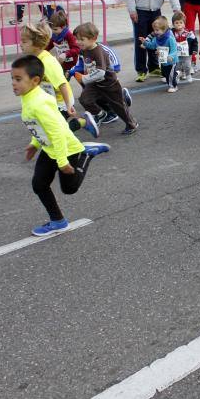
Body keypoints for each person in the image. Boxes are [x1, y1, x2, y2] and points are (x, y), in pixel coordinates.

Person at [11, 54, 109, 237]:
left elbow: (56, 132)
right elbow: (39, 125)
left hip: (65, 148)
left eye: (18, 79)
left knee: (69, 188)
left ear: (35, 80)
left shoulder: (38, 103)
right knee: (39, 184)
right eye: (12, 79)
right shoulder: (29, 96)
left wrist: (62, 161)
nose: (13, 83)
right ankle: (58, 221)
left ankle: (87, 154)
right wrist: (34, 143)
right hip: (50, 149)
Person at [71, 22, 139, 136]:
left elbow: (101, 72)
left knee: (119, 107)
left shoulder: (98, 51)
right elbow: (86, 64)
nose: (78, 42)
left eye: (81, 39)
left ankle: (131, 123)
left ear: (93, 38)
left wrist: (85, 78)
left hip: (109, 84)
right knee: (84, 99)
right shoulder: (83, 49)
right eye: (76, 39)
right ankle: (101, 114)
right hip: (95, 84)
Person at [20, 20, 77, 124]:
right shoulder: (34, 59)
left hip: (61, 103)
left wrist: (68, 106)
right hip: (50, 101)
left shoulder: (47, 62)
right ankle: (81, 123)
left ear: (36, 44)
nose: (20, 44)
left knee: (57, 131)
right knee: (53, 130)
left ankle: (80, 123)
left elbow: (62, 84)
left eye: (24, 42)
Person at [140, 16, 179, 93]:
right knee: (165, 73)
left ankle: (173, 86)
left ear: (164, 29)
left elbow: (174, 49)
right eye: (154, 30)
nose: (155, 32)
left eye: (157, 30)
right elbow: (152, 46)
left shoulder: (170, 38)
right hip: (163, 60)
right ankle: (176, 74)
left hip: (171, 61)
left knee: (169, 75)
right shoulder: (156, 38)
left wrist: (171, 56)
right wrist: (145, 42)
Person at [171, 12, 198, 83]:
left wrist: (194, 49)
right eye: (176, 23)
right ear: (173, 24)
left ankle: (188, 74)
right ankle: (178, 75)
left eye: (181, 22)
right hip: (176, 52)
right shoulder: (171, 33)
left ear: (184, 24)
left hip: (187, 53)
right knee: (177, 65)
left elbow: (194, 41)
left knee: (187, 65)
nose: (179, 24)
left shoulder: (188, 33)